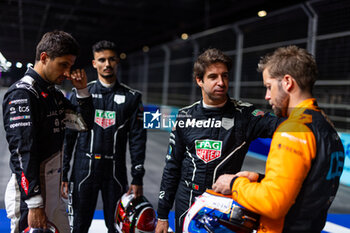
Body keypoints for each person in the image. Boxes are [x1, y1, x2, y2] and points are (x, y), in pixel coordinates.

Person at [212, 45, 345, 233]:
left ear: (287, 82)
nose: (267, 96)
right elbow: (307, 188)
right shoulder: (326, 126)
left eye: (269, 87)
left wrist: (234, 184)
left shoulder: (294, 129)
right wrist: (258, 179)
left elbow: (273, 202)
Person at [156, 48, 282, 233]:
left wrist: (311, 119)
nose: (221, 83)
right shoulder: (184, 116)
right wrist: (162, 215)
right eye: (213, 77)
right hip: (187, 200)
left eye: (225, 76)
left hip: (225, 201)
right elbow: (172, 167)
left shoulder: (245, 115)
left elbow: (284, 126)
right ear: (199, 80)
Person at [3, 30, 94, 233]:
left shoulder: (52, 93)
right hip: (31, 194)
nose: (67, 73)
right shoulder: (22, 94)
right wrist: (34, 203)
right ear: (44, 58)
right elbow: (22, 152)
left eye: (70, 66)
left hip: (54, 191)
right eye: (63, 64)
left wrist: (82, 92)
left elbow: (83, 125)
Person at [61, 40, 147, 233]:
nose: (107, 64)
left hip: (115, 171)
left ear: (117, 61)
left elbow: (138, 140)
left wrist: (138, 177)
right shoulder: (80, 93)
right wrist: (63, 173)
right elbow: (68, 137)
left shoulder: (133, 97)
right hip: (83, 169)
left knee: (117, 227)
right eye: (102, 60)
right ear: (94, 63)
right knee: (78, 226)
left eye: (111, 59)